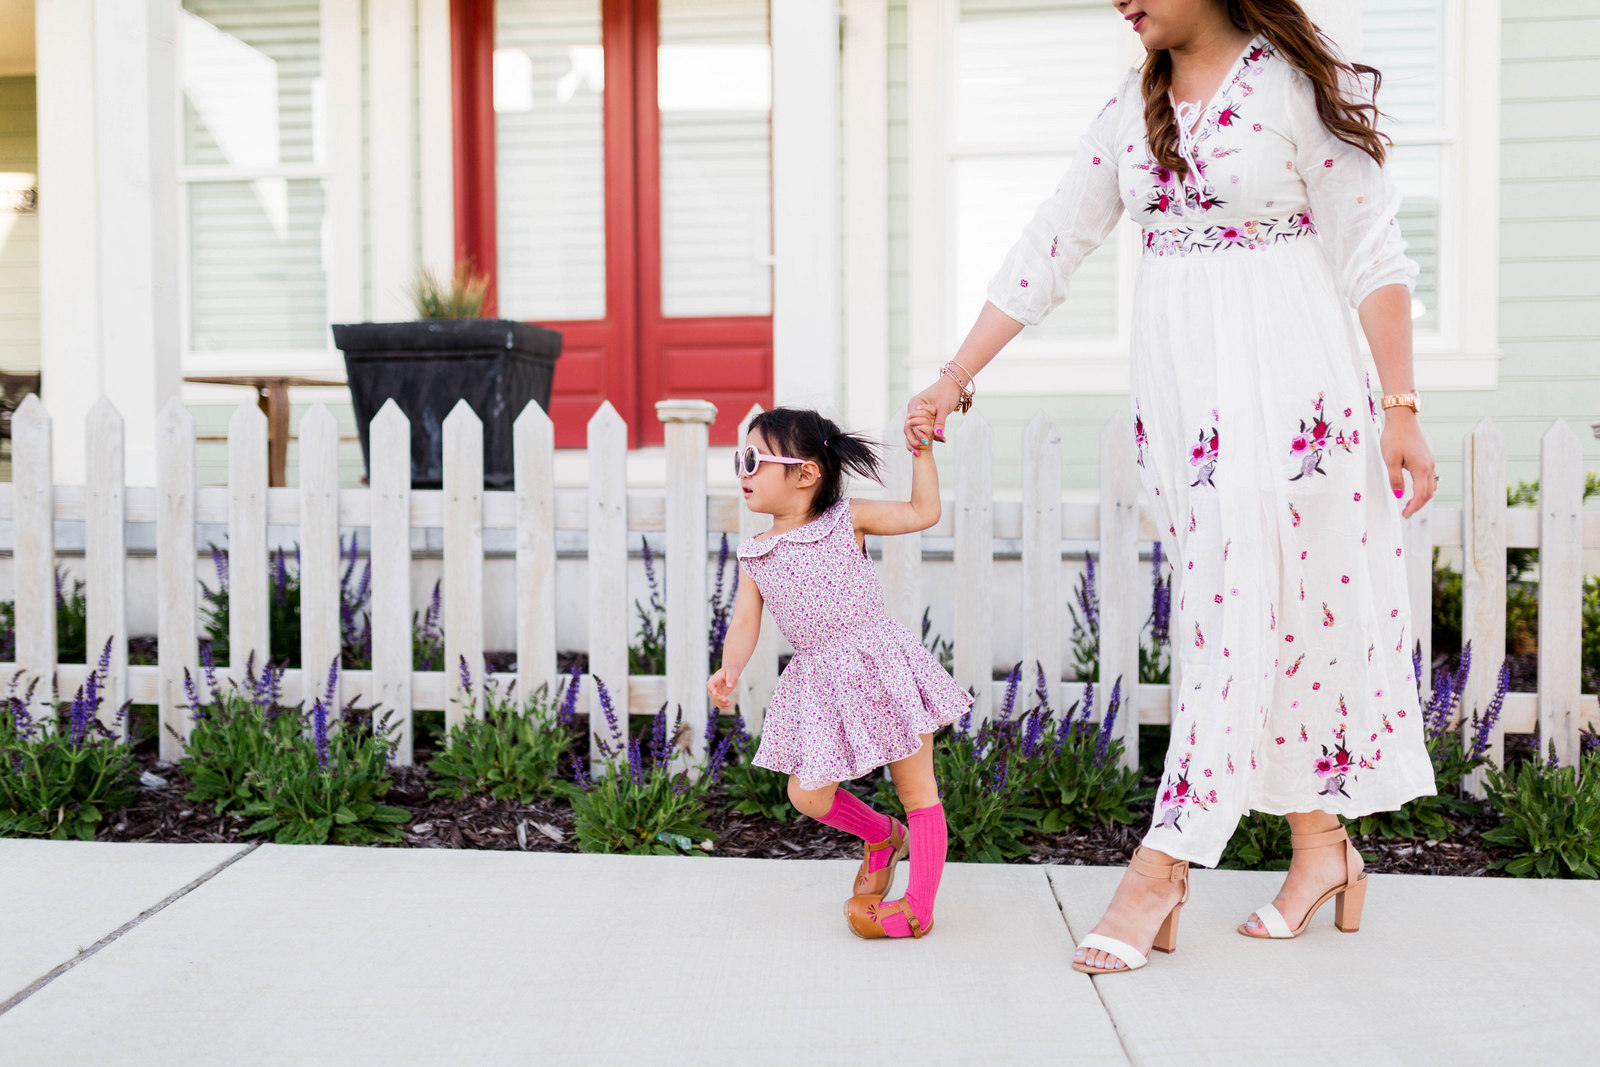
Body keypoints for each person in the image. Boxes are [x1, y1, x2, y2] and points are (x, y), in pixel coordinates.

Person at [904, 0, 1439, 973]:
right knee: (1252, 621)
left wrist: (1399, 404)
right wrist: (954, 374)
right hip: (1189, 414)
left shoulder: (1288, 87)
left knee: (1244, 621)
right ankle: (1324, 849)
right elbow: (1049, 245)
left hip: (1292, 403)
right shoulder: (1130, 107)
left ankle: (1162, 867)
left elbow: (1372, 249)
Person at [708, 407, 972, 939]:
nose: (743, 472)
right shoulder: (756, 552)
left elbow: (923, 512)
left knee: (918, 789)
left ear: (805, 474)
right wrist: (729, 666)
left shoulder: (844, 520)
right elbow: (744, 620)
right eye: (740, 459)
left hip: (880, 663)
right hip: (819, 681)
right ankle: (882, 836)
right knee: (807, 794)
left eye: (755, 460)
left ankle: (918, 906)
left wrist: (922, 451)